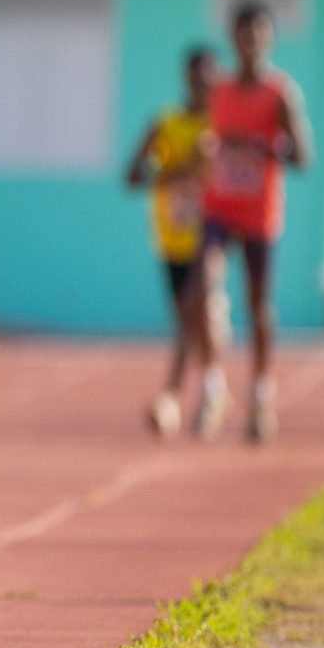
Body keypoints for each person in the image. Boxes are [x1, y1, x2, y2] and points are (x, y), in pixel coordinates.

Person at [193, 0, 311, 442]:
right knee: (204, 290)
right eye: (243, 31)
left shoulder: (281, 94)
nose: (249, 39)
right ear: (232, 37)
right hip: (218, 206)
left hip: (259, 211)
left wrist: (263, 148)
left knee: (258, 307)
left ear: (270, 38)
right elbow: (212, 140)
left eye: (258, 31)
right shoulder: (219, 92)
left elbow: (303, 157)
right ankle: (212, 390)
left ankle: (261, 398)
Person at [124, 47, 219, 438]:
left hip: (212, 232)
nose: (203, 84)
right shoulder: (165, 122)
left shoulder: (221, 126)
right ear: (185, 78)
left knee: (201, 305)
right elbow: (132, 177)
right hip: (171, 236)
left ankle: (183, 395)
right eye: (196, 76)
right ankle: (203, 389)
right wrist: (176, 171)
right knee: (188, 319)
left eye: (210, 76)